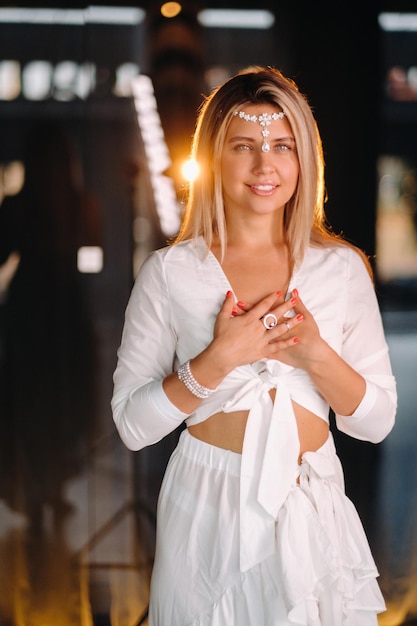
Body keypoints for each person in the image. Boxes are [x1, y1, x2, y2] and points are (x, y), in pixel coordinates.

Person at [111, 66, 397, 625]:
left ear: (304, 158)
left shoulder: (340, 270)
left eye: (283, 146)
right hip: (206, 507)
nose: (266, 165)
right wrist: (216, 361)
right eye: (244, 146)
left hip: (311, 505)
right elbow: (132, 425)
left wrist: (314, 352)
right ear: (213, 158)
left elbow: (377, 420)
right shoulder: (171, 273)